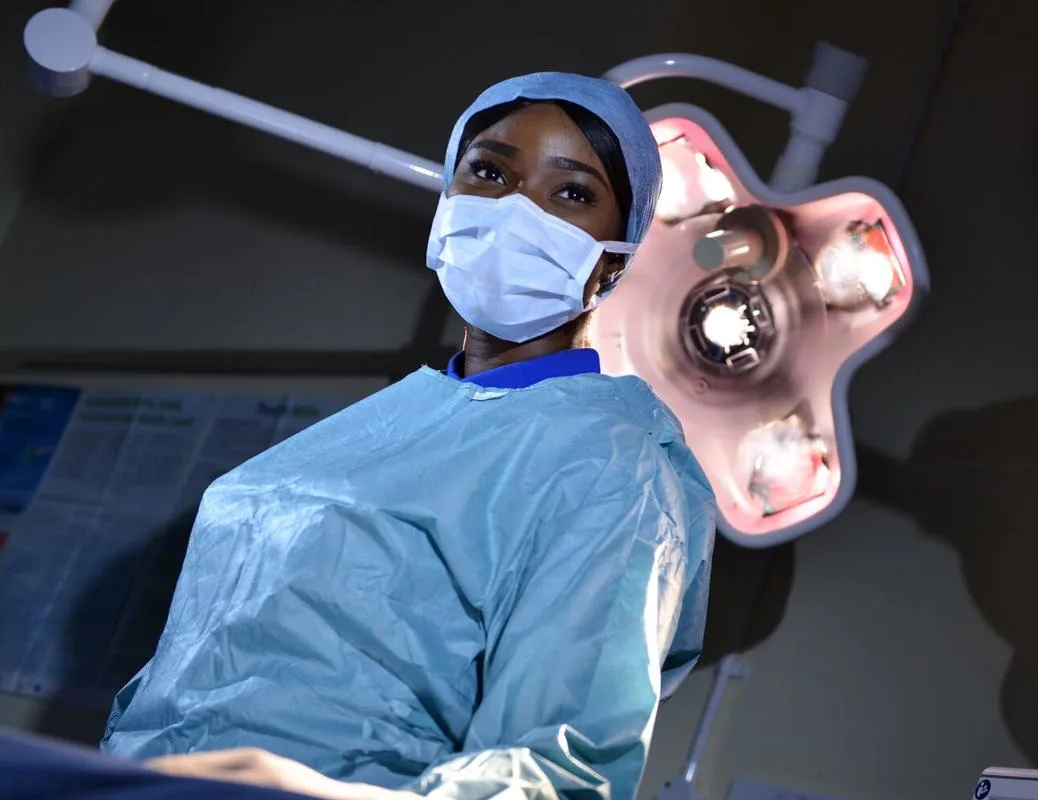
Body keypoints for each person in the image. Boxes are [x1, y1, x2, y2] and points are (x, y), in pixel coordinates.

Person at [97, 72, 716, 800]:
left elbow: (558, 771)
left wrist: (320, 794)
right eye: (488, 172)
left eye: (571, 193)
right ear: (446, 204)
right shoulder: (388, 424)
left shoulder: (610, 467)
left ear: (612, 261)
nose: (516, 210)